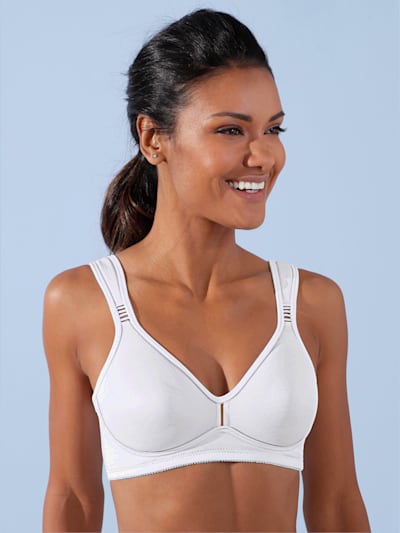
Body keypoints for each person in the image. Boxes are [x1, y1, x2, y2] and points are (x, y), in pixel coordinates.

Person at [42, 8, 370, 533]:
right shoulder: (82, 302)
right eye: (231, 130)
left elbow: (337, 504)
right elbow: (73, 501)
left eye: (273, 129)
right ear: (153, 138)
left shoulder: (311, 303)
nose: (263, 156)